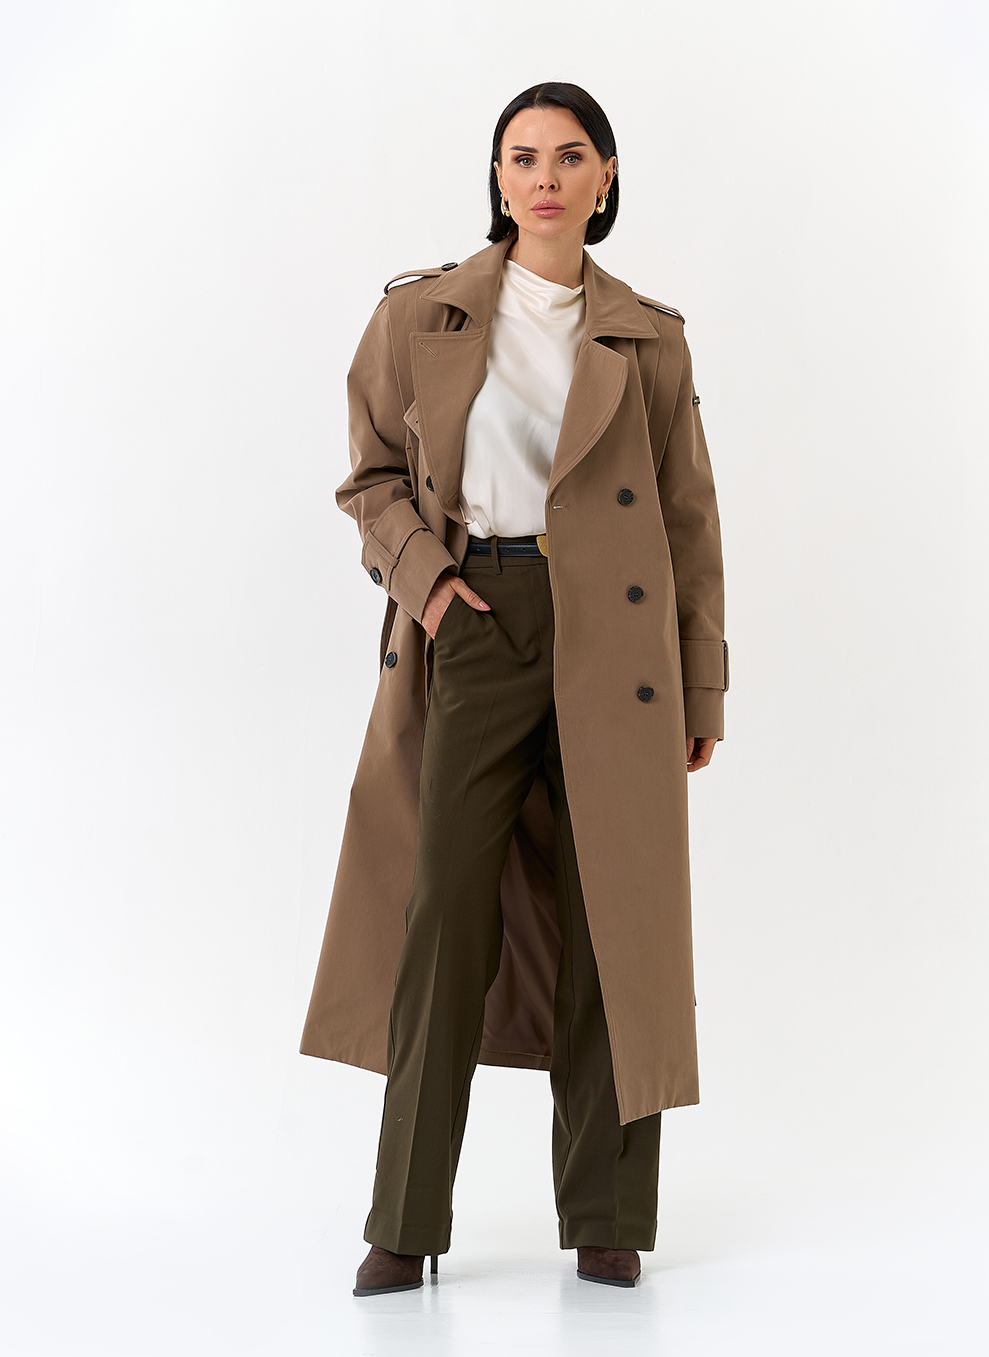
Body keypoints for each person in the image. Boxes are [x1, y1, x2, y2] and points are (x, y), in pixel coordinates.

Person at [299, 81, 730, 1296]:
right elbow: (371, 478)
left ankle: (606, 1215)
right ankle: (404, 1219)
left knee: (610, 920)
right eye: (521, 156)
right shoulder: (421, 314)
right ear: (497, 178)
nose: (543, 177)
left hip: (616, 644)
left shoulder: (648, 337)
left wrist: (699, 687)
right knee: (443, 915)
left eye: (569, 156)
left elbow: (687, 522)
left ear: (604, 179)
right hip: (476, 621)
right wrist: (431, 585)